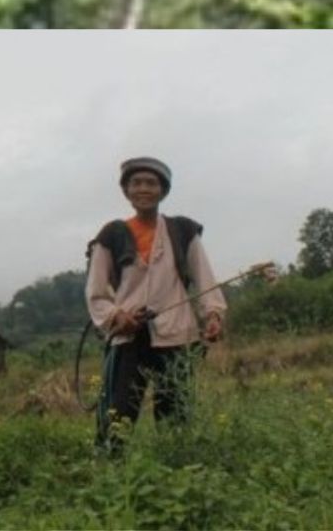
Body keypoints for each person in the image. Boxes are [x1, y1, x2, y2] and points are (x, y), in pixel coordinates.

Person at [85, 156, 228, 454]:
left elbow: (204, 278)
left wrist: (213, 314)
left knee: (176, 412)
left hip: (177, 335)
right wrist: (116, 316)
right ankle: (109, 469)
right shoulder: (111, 235)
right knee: (118, 411)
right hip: (128, 338)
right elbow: (97, 292)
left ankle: (176, 468)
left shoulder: (182, 231)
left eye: (151, 183)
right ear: (126, 191)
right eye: (136, 183)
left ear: (163, 190)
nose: (143, 189)